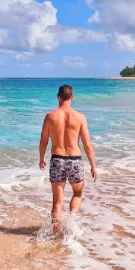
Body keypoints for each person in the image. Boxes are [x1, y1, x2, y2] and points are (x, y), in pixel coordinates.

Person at [39, 84, 98, 229]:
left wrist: (41, 158)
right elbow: (87, 144)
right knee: (77, 193)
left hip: (57, 160)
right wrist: (93, 166)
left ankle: (56, 235)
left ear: (58, 97)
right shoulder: (80, 117)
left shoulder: (50, 116)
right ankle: (71, 224)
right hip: (75, 161)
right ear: (72, 97)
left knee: (57, 202)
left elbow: (44, 141)